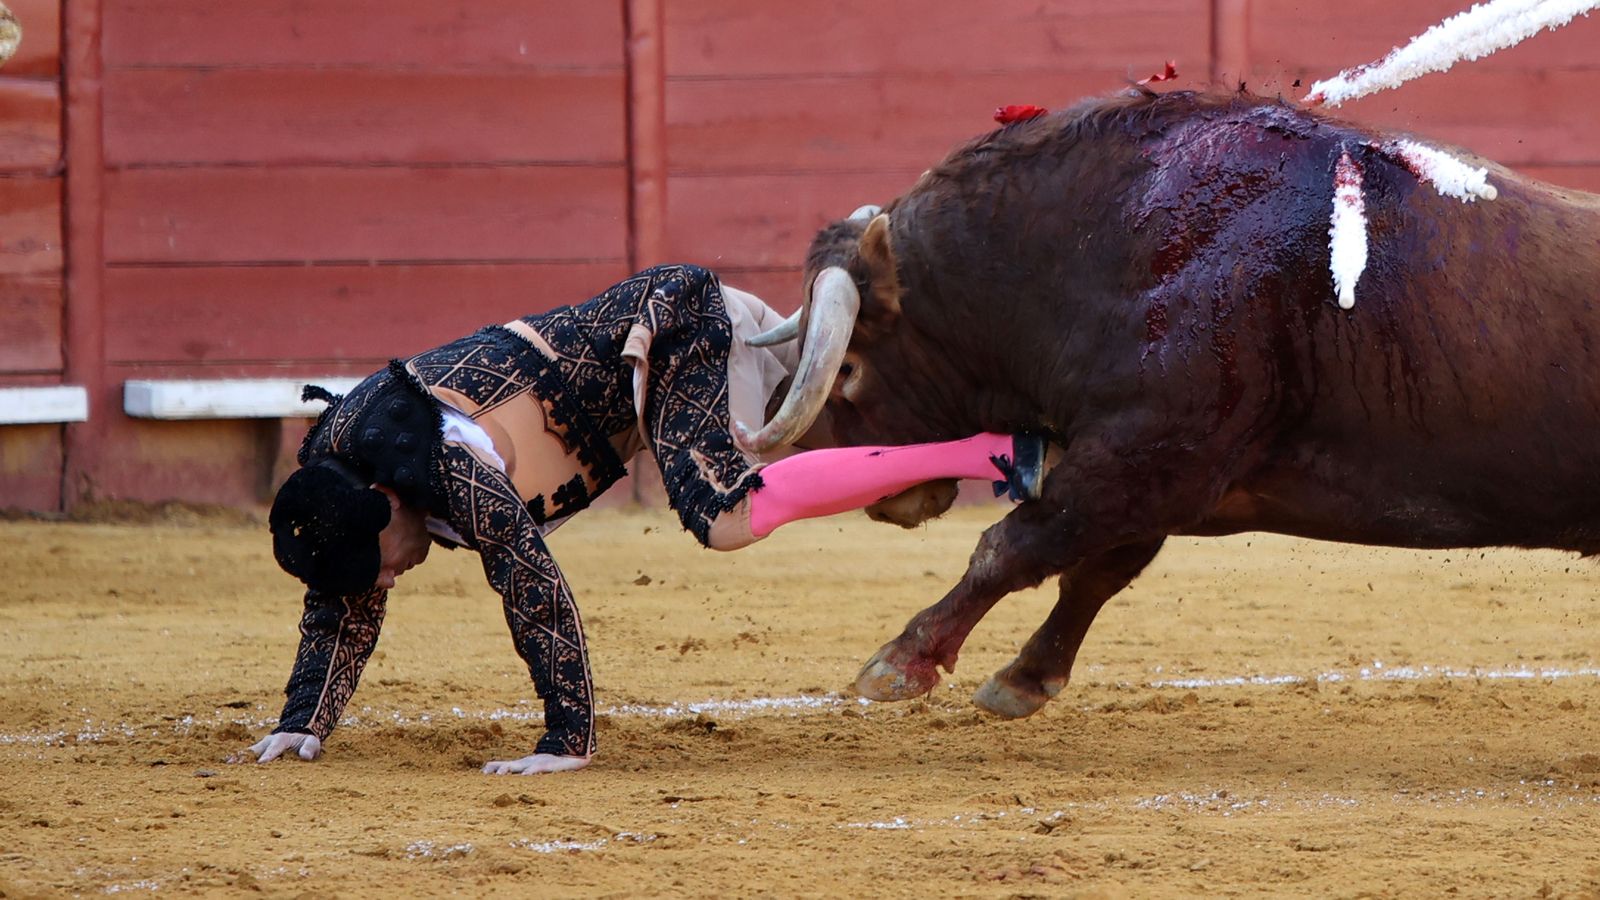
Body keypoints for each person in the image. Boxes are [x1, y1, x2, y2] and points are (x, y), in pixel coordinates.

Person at [241, 263, 1044, 775]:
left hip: (677, 333)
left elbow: (532, 587)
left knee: (726, 513)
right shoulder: (341, 478)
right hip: (677, 355)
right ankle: (1018, 420)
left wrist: (566, 739)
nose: (382, 582)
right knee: (866, 416)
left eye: (377, 562)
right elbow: (339, 594)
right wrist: (302, 722)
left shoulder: (443, 464)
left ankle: (987, 452)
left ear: (384, 503)